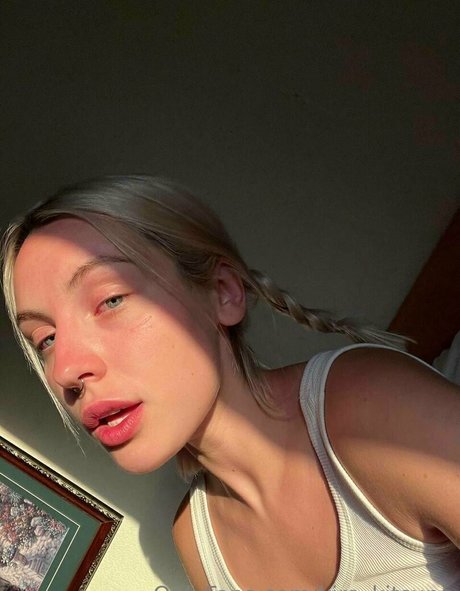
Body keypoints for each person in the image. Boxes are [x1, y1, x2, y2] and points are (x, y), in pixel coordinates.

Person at [2, 175, 460, 591]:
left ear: (222, 293)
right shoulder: (198, 544)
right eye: (46, 340)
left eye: (111, 299)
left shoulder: (370, 405)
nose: (64, 371)